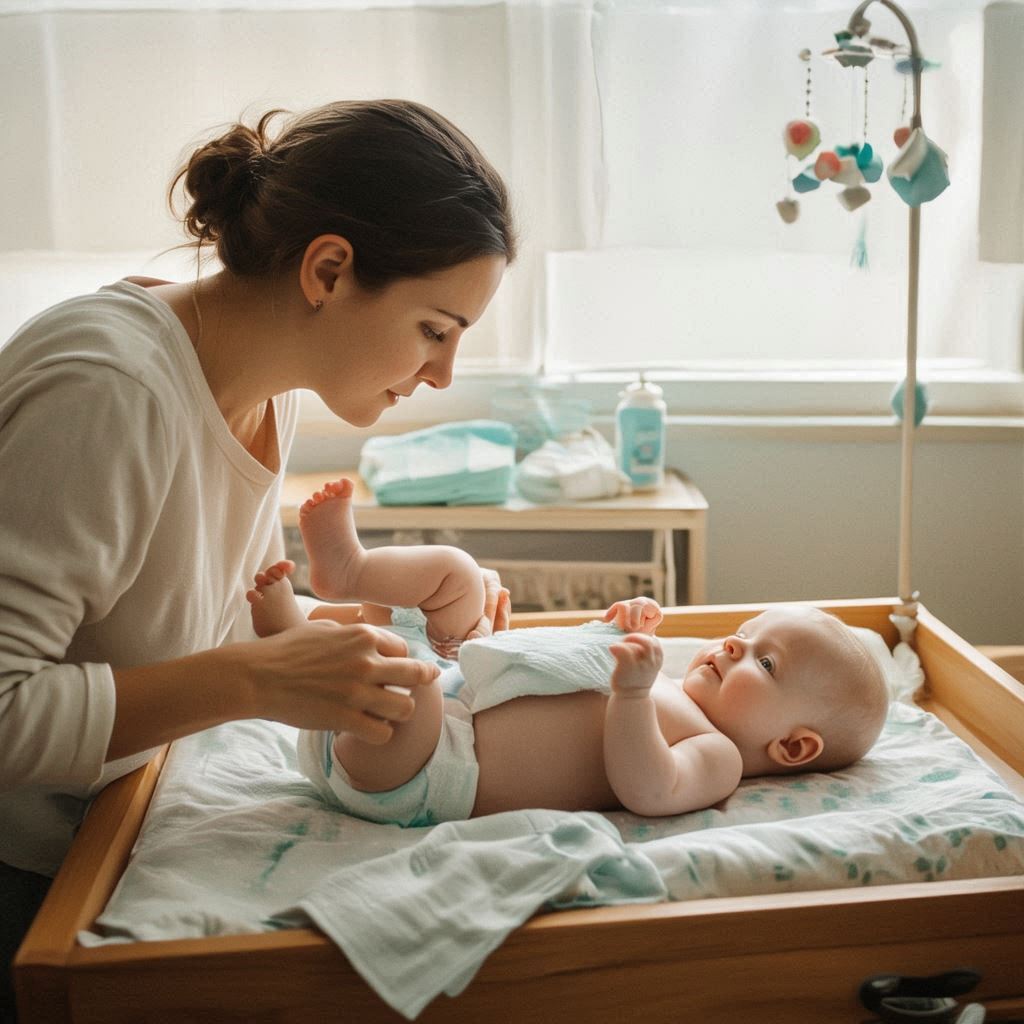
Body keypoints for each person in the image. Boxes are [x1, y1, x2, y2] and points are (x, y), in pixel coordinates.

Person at [0, 99, 515, 1020]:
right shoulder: (110, 391)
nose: (442, 374)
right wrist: (254, 680)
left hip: (118, 832)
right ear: (328, 269)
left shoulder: (264, 390)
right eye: (436, 329)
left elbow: (223, 624)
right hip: (28, 881)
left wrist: (408, 632)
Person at [248, 478, 890, 825]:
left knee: (397, 666)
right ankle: (349, 571)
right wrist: (605, 631)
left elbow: (648, 788)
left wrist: (634, 694)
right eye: (744, 633)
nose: (732, 644)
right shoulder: (664, 675)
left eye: (765, 662)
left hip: (424, 771)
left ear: (794, 746)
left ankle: (296, 647)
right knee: (458, 575)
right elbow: (555, 673)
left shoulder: (718, 757)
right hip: (451, 696)